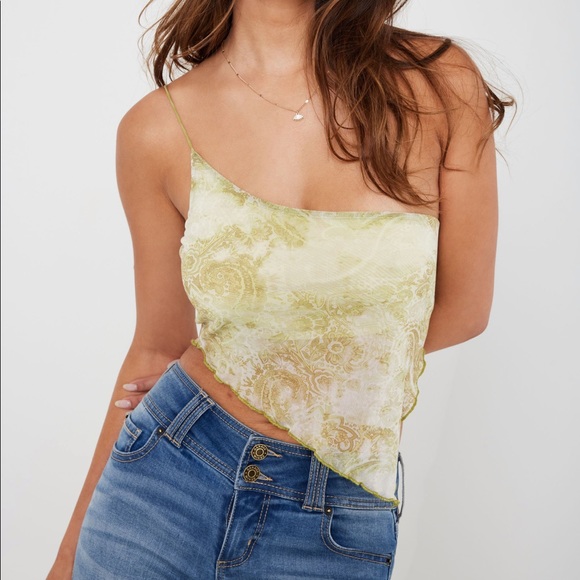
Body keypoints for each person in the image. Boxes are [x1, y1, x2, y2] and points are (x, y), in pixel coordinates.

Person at [49, 0, 512, 577]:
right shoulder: (157, 128)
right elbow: (155, 347)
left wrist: (295, 363)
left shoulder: (437, 84)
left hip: (333, 510)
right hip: (166, 478)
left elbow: (464, 307)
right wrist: (66, 559)